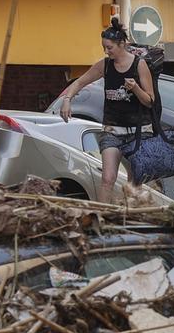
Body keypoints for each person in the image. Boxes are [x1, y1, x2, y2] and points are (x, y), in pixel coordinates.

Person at [58, 18, 156, 204]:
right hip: (112, 130)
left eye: (109, 47)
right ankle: (102, 218)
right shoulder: (105, 65)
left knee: (134, 182)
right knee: (107, 178)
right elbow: (79, 82)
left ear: (122, 44)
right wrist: (67, 100)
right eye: (104, 47)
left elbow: (150, 101)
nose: (106, 51)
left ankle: (132, 220)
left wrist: (135, 88)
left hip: (138, 132)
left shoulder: (139, 65)